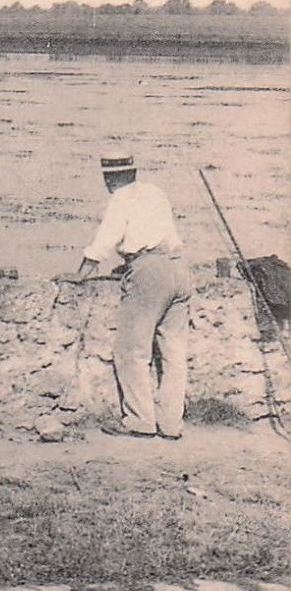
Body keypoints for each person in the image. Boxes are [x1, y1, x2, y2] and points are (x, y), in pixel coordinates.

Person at [57, 154, 190, 439]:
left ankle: (140, 421)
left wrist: (81, 274)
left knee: (132, 350)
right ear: (134, 170)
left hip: (150, 270)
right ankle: (171, 425)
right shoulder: (155, 191)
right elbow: (154, 233)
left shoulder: (120, 198)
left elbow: (106, 239)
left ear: (109, 177)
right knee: (174, 352)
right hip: (179, 267)